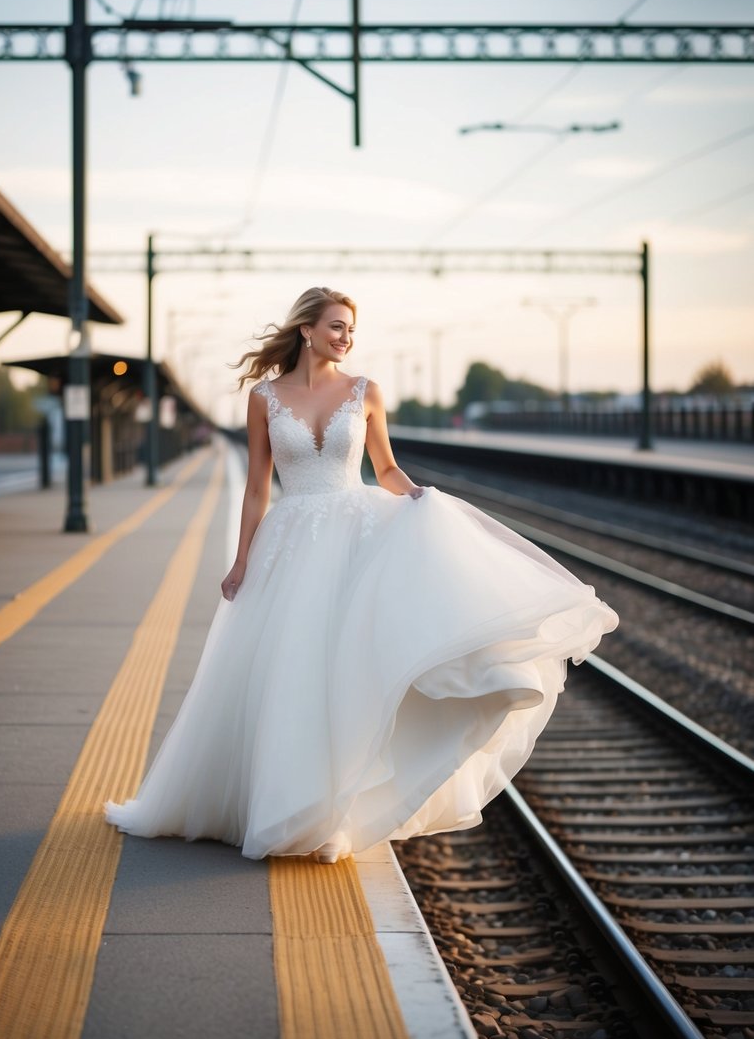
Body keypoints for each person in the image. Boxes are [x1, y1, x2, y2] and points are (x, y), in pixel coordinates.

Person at [105, 285, 618, 863]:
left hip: (356, 538)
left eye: (351, 329)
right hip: (291, 543)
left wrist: (421, 498)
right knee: (295, 676)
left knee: (348, 677)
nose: (346, 338)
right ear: (306, 330)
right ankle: (284, 806)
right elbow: (256, 488)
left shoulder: (365, 391)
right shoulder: (264, 398)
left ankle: (335, 821)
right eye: (336, 327)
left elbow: (386, 468)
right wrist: (242, 558)